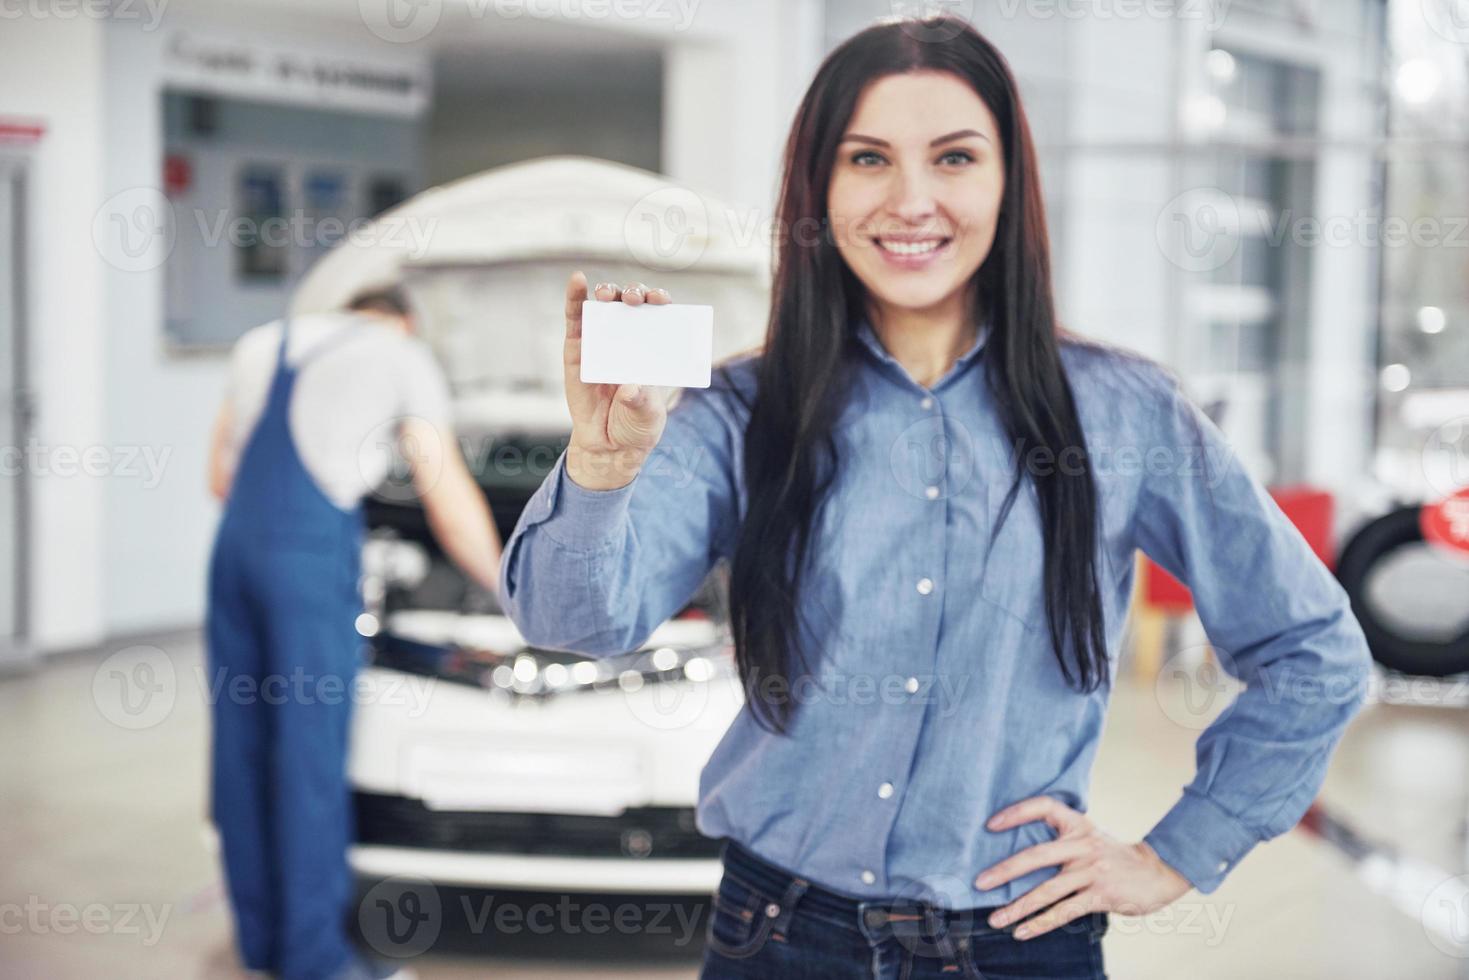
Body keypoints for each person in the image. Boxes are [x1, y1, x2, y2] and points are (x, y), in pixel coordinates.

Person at [497, 15, 1373, 980]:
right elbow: (574, 622)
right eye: (867, 158)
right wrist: (602, 467)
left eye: (953, 157)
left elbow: (1312, 652)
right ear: (817, 189)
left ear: (1007, 181)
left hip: (1018, 946)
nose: (910, 200)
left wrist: (1175, 854)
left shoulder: (1122, 411)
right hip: (777, 938)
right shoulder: (735, 410)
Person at [204, 286, 501, 980]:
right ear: (405, 319)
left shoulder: (260, 343)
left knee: (242, 752)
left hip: (234, 556)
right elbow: (444, 491)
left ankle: (263, 944)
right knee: (307, 761)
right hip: (305, 563)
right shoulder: (400, 353)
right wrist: (508, 589)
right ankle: (316, 962)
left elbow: (218, 474)